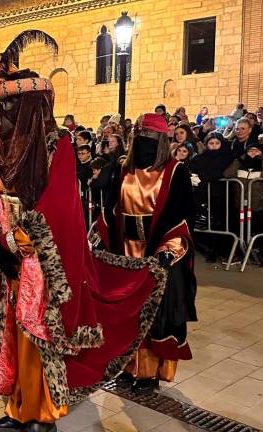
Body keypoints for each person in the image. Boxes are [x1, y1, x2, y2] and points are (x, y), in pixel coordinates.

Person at [0, 37, 166, 432]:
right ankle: (19, 409)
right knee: (12, 335)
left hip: (38, 258)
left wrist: (15, 243)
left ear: (32, 108)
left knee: (39, 335)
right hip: (7, 258)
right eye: (3, 107)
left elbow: (58, 208)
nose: (5, 115)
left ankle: (44, 413)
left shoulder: (59, 144)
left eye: (11, 106)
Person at [97, 113, 197, 395]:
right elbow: (111, 207)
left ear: (161, 141)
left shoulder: (176, 171)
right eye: (138, 138)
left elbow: (182, 216)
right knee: (127, 313)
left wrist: (169, 251)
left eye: (149, 139)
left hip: (157, 250)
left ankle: (149, 373)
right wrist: (100, 235)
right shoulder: (123, 168)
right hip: (126, 251)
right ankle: (129, 367)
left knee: (154, 315)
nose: (142, 144)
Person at [224, 142, 263, 269]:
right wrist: (239, 159)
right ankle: (237, 255)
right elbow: (227, 174)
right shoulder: (240, 163)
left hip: (259, 204)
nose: (253, 153)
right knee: (237, 230)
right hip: (241, 204)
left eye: (256, 150)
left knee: (261, 230)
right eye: (250, 150)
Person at [188, 133, 237, 262]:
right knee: (203, 221)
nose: (214, 146)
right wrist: (192, 176)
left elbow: (222, 172)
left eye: (217, 143)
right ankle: (202, 246)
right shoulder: (200, 157)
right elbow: (192, 167)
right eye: (211, 143)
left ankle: (216, 249)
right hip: (202, 193)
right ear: (206, 144)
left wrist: (203, 178)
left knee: (218, 222)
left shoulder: (227, 157)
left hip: (220, 194)